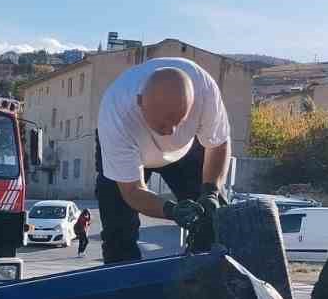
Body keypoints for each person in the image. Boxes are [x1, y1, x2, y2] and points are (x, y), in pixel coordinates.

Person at [93, 57, 234, 265]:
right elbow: (132, 192)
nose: (170, 132)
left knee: (212, 221)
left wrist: (211, 191)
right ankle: (125, 288)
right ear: (140, 103)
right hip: (133, 153)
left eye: (179, 121)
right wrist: (171, 210)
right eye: (163, 123)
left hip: (187, 151)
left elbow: (218, 144)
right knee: (118, 233)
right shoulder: (116, 116)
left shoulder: (205, 91)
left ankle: (203, 281)